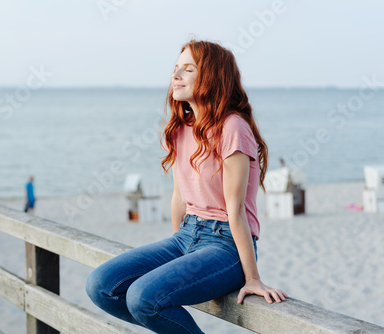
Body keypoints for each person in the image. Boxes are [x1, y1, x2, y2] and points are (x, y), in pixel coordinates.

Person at [85, 40, 288, 334]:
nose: (175, 75)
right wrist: (176, 256)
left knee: (143, 298)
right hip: (186, 236)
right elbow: (179, 197)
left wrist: (253, 278)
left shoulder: (232, 128)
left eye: (187, 69)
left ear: (212, 77)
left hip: (225, 245)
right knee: (101, 285)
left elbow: (237, 210)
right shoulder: (182, 127)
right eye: (175, 68)